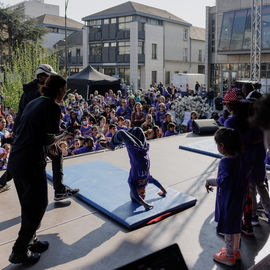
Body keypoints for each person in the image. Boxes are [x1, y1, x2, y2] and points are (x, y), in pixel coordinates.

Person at [7, 75, 70, 265]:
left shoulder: (33, 102)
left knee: (28, 205)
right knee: (39, 204)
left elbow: (35, 133)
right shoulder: (52, 107)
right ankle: (19, 250)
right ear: (59, 90)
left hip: (16, 160)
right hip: (30, 162)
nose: (65, 93)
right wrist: (64, 136)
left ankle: (32, 241)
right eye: (65, 89)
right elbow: (47, 140)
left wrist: (51, 142)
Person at [0, 64, 79, 200]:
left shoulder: (31, 91)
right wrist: (53, 140)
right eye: (50, 77)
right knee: (55, 154)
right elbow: (42, 125)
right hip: (31, 137)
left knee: (17, 161)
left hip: (22, 134)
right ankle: (59, 190)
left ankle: (1, 182)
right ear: (42, 76)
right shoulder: (39, 95)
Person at [205, 128, 247, 267]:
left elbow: (223, 181)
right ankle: (235, 251)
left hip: (229, 200)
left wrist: (209, 181)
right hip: (239, 197)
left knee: (229, 228)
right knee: (237, 225)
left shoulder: (225, 162)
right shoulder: (240, 158)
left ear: (222, 146)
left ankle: (229, 256)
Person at [100, 127, 167, 210]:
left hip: (134, 148)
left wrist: (144, 204)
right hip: (143, 149)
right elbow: (156, 182)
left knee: (121, 133)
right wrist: (164, 191)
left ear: (134, 191)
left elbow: (135, 195)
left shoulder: (133, 182)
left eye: (141, 196)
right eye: (144, 196)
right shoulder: (147, 180)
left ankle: (111, 145)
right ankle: (121, 141)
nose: (143, 195)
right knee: (138, 130)